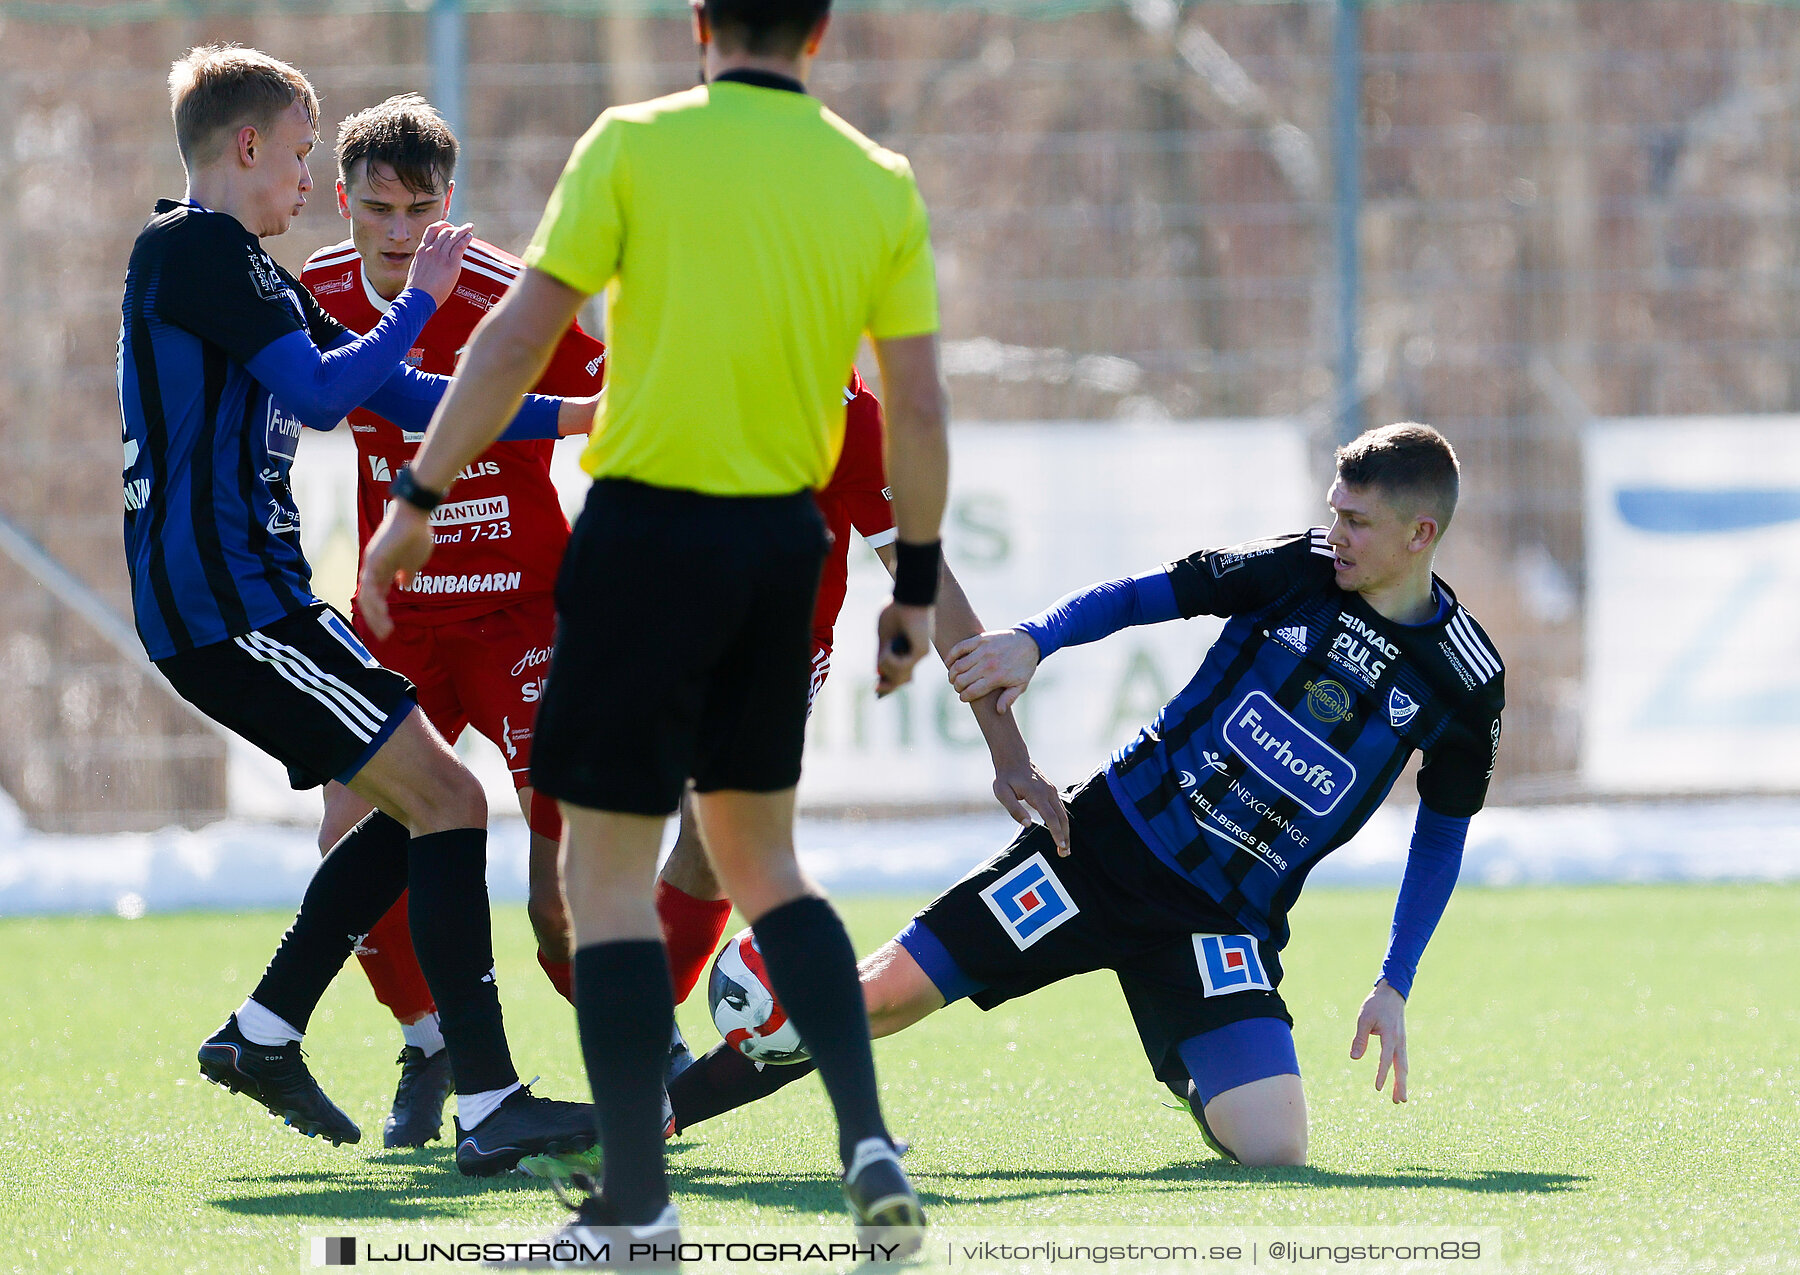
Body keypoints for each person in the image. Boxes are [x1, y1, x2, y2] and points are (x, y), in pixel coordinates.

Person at [358, 0, 953, 1252]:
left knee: (605, 879)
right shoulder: (876, 181)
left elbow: (523, 334)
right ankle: (866, 1139)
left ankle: (637, 1206)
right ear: (822, 33)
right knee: (765, 864)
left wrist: (417, 495)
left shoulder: (633, 144)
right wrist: (918, 580)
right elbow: (917, 403)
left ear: (697, 26)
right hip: (779, 553)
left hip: (644, 542)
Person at [668, 423, 1505, 1170]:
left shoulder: (1465, 681)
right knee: (871, 1000)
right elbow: (1150, 591)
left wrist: (1393, 982)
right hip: (1096, 846)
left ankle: (1190, 1054)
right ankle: (658, 1112)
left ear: (1420, 532)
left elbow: (1442, 832)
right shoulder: (1299, 569)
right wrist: (1035, 640)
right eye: (1334, 511)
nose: (1336, 534)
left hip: (1219, 919)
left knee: (1275, 1146)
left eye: (1356, 521)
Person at [120, 44, 597, 1176]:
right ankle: (479, 1095)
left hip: (252, 600)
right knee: (449, 798)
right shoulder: (193, 249)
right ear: (246, 147)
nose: (304, 182)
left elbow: (405, 389)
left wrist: (580, 415)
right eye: (297, 155)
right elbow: (331, 399)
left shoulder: (248, 271)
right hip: (233, 605)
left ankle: (269, 1032)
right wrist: (422, 299)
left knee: (418, 803)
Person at [301, 92, 612, 1150]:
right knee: (348, 839)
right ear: (342, 199)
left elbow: (613, 406)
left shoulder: (511, 295)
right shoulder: (314, 294)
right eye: (375, 208)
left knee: (565, 863)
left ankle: (631, 1034)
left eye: (417, 208)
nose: (395, 232)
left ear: (448, 204)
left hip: (522, 609)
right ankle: (430, 1042)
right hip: (394, 619)